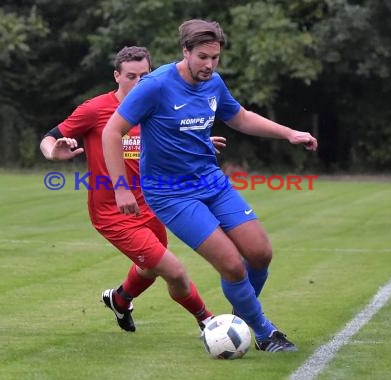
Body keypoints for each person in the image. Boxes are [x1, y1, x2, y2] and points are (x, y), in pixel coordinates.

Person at [102, 20, 318, 353]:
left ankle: (241, 315)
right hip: (170, 194)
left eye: (215, 57)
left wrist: (288, 133)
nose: (209, 65)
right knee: (231, 264)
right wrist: (120, 188)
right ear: (185, 51)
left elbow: (241, 117)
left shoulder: (213, 83)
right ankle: (264, 332)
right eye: (202, 56)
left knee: (260, 253)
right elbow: (112, 132)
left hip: (211, 181)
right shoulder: (156, 85)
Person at [40, 46, 222, 334]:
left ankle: (120, 299)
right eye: (131, 76)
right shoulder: (95, 109)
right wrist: (53, 152)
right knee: (173, 270)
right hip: (113, 213)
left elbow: (174, 141)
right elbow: (50, 137)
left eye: (145, 75)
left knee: (149, 270)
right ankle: (209, 322)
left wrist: (197, 143)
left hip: (152, 206)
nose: (138, 82)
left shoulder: (158, 106)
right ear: (117, 76)